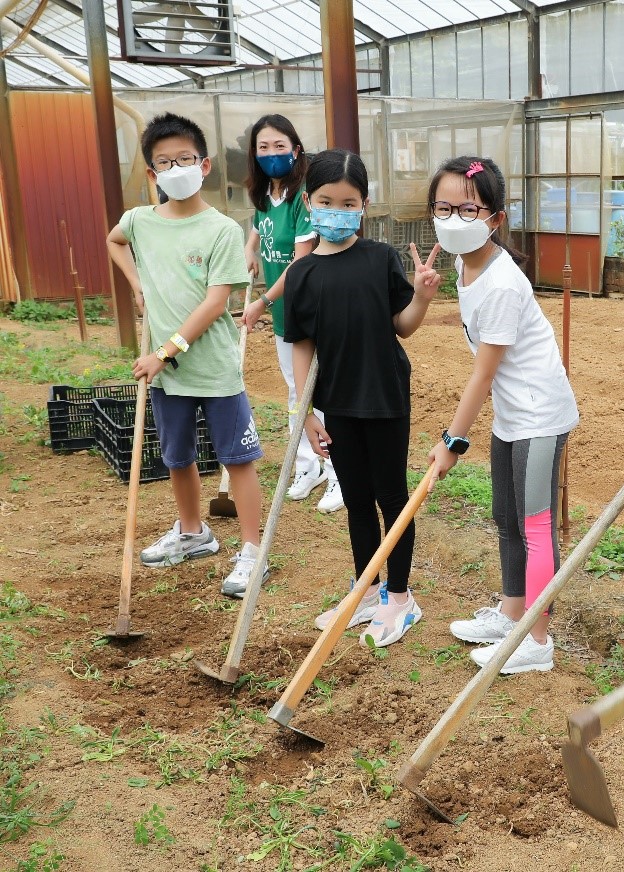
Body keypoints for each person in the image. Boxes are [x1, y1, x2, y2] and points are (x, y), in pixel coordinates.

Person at [282, 149, 441, 647]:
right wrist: (304, 412)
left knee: (392, 497)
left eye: (347, 202)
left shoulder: (380, 259)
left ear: (364, 205)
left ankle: (400, 597)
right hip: (338, 404)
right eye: (326, 201)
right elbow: (302, 345)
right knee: (354, 499)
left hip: (386, 396)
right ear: (310, 203)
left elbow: (403, 328)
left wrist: (422, 297)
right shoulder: (303, 273)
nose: (336, 210)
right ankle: (366, 590)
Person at [106, 112, 265, 596]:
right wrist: (137, 287)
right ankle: (193, 532)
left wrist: (166, 350)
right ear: (152, 174)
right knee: (177, 457)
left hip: (213, 368)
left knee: (237, 458)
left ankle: (253, 551)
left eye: (184, 159)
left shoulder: (220, 230)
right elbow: (114, 241)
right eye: (164, 162)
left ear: (204, 164)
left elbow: (217, 302)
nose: (175, 168)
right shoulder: (139, 221)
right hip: (168, 375)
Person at [435, 156, 579, 675]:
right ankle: (513, 612)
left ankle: (536, 641)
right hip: (511, 417)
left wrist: (451, 442)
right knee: (507, 519)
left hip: (539, 418)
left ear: (495, 218)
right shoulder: (464, 262)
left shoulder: (500, 283)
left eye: (467, 209)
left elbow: (481, 375)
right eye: (444, 207)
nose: (453, 219)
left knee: (536, 527)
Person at [239, 114, 342, 513]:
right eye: (263, 147)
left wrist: (262, 301)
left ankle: (338, 475)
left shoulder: (303, 196)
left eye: (279, 146)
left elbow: (299, 265)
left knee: (322, 393)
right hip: (282, 315)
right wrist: (250, 250)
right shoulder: (265, 194)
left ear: (295, 149)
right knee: (296, 392)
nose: (271, 154)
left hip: (307, 309)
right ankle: (307, 466)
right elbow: (259, 228)